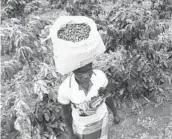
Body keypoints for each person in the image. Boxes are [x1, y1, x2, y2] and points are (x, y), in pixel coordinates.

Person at [58, 62, 120, 139]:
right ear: (73, 71)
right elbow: (66, 113)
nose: (86, 76)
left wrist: (115, 113)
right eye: (80, 73)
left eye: (89, 70)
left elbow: (107, 96)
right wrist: (71, 133)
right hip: (82, 126)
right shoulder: (65, 89)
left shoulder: (99, 77)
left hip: (101, 118)